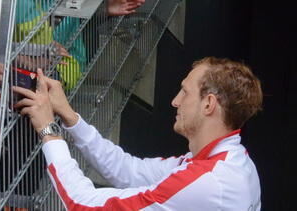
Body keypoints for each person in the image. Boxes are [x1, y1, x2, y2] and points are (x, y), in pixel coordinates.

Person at [15, 57, 262, 209]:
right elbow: (128, 171)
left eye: (185, 92)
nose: (175, 101)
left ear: (208, 104)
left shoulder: (208, 183)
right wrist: (70, 117)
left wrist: (48, 129)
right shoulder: (232, 162)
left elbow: (83, 205)